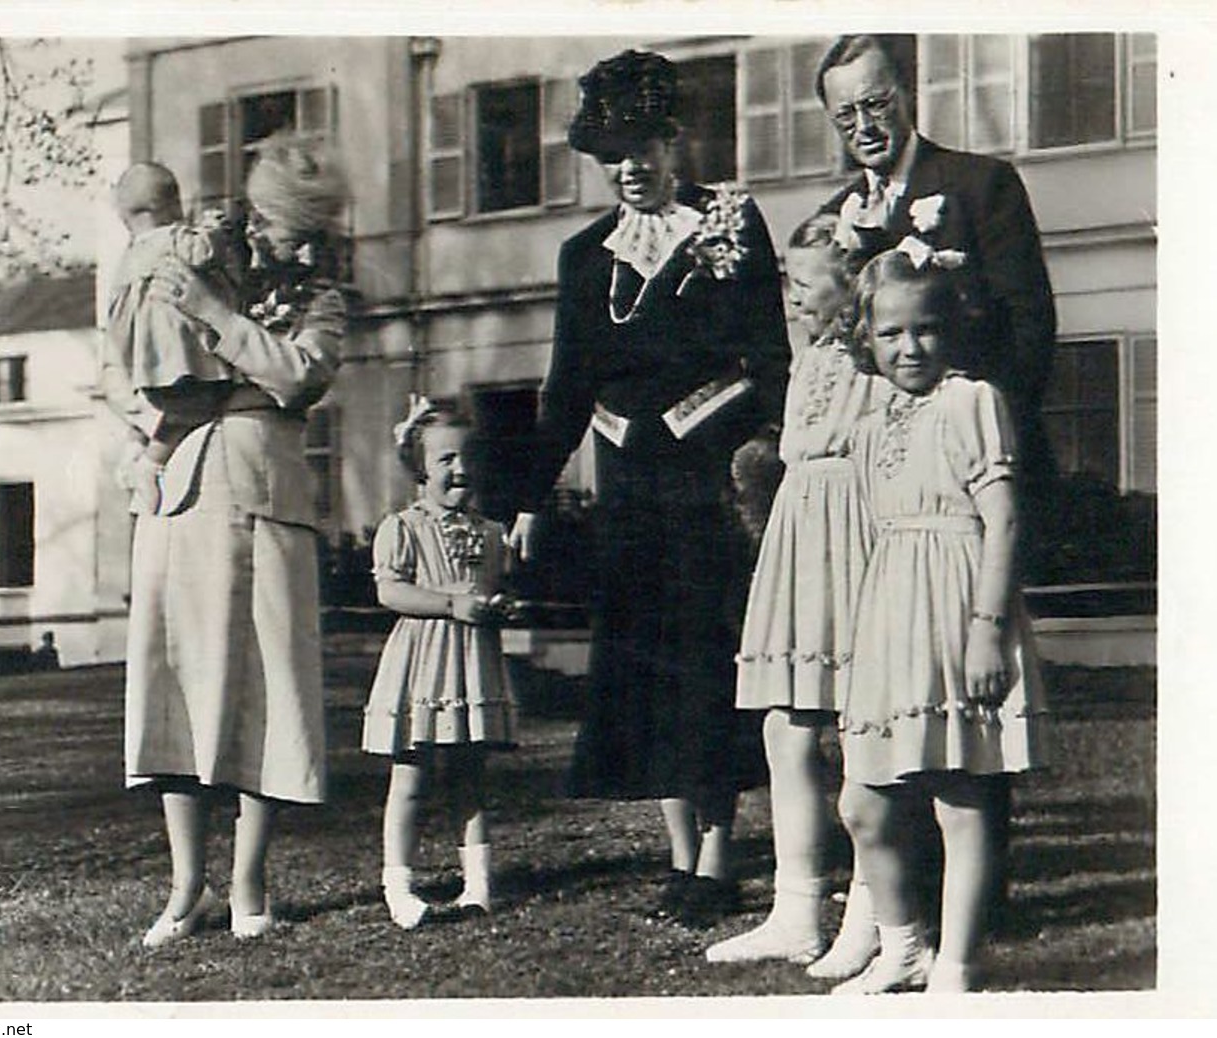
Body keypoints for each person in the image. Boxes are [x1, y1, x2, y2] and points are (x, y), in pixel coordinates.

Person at [510, 49, 791, 928]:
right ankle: (680, 857)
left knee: (709, 666)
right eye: (613, 154)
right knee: (648, 670)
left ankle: (718, 858)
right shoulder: (584, 255)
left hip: (708, 481)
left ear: (677, 139)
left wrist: (762, 449)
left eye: (644, 146)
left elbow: (770, 356)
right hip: (629, 487)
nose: (630, 167)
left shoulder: (731, 223)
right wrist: (526, 497)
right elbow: (565, 387)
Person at [815, 32, 1059, 928]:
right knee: (900, 701)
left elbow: (1030, 328)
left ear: (905, 95)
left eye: (876, 104)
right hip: (890, 493)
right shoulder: (837, 210)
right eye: (845, 113)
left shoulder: (978, 184)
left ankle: (978, 905)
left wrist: (976, 436)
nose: (864, 125)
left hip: (969, 481)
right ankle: (896, 909)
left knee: (971, 700)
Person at [123, 134, 351, 947]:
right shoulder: (202, 244)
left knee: (267, 688)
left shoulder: (324, 298)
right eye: (273, 219)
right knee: (174, 676)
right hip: (182, 485)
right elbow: (151, 348)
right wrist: (152, 433)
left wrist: (216, 322)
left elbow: (298, 375)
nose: (283, 238)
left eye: (300, 227)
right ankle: (186, 887)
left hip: (265, 498)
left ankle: (249, 884)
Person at [830, 250, 1048, 995]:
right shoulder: (874, 415)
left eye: (925, 330)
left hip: (956, 602)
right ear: (866, 335)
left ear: (951, 329)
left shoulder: (971, 400)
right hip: (892, 610)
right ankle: (903, 947)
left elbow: (1005, 519)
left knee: (961, 792)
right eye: (889, 333)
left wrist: (986, 628)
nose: (908, 348)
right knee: (863, 802)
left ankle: (954, 964)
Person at [704, 212, 891, 975]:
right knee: (785, 725)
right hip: (799, 534)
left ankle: (877, 908)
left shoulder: (873, 362)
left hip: (850, 534)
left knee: (862, 731)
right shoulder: (809, 357)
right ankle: (796, 908)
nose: (788, 295)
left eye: (802, 282)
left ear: (848, 292)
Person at [362, 396, 518, 930]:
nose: (461, 469)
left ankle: (478, 883)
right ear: (419, 467)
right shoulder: (403, 527)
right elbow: (391, 592)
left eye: (468, 456)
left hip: (471, 664)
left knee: (470, 776)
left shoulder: (492, 532)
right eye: (447, 459)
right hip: (423, 664)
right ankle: (399, 885)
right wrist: (451, 604)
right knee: (412, 773)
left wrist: (498, 607)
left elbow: (491, 586)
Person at [101, 162, 246, 489]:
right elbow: (203, 253)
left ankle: (138, 443)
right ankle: (151, 463)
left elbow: (117, 318)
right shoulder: (174, 239)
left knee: (163, 407)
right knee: (200, 406)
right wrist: (214, 229)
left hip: (147, 362)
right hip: (178, 356)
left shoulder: (129, 259)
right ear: (173, 206)